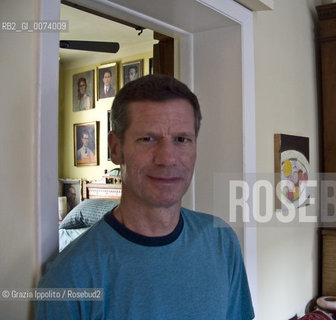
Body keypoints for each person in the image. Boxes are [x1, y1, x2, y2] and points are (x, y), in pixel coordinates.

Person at [36, 74, 255, 320]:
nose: (167, 158)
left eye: (182, 140)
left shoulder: (222, 242)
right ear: (116, 148)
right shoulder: (70, 279)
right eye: (148, 139)